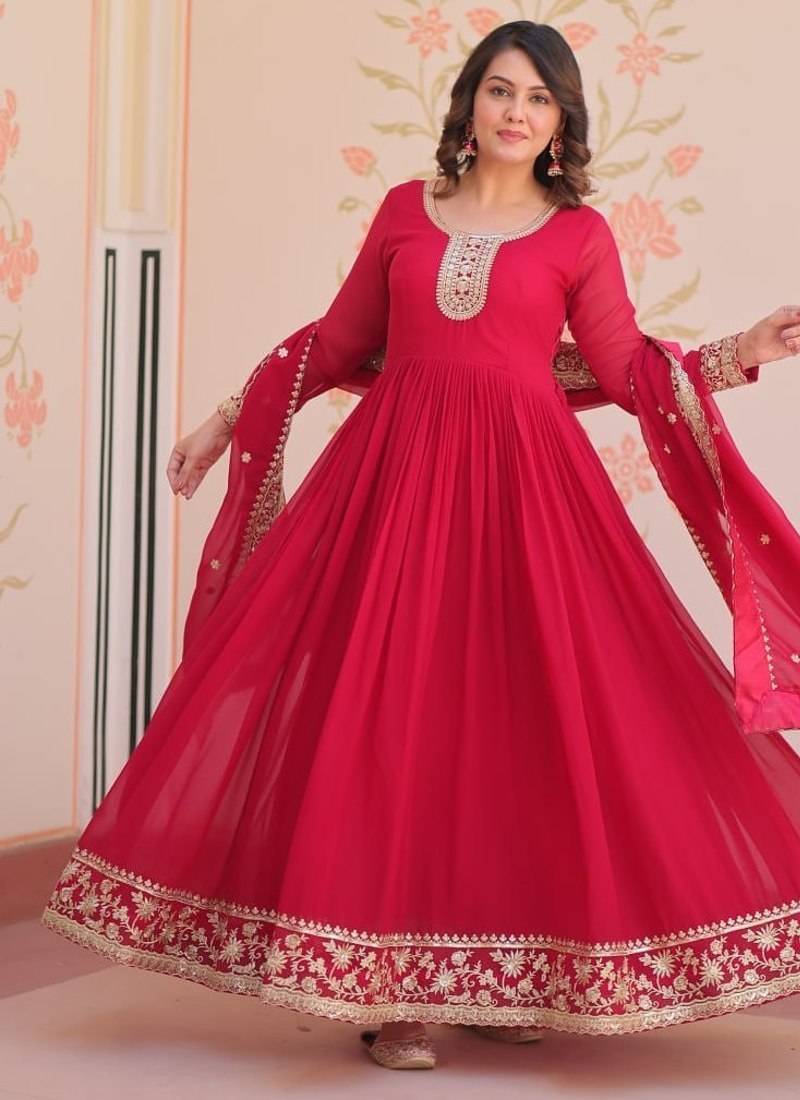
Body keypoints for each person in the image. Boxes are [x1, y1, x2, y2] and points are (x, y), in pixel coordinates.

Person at [44, 20, 800, 1073]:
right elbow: (335, 343)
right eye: (500, 90)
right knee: (393, 716)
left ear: (560, 125)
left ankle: (505, 974)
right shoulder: (407, 210)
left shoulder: (578, 235)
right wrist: (221, 421)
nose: (516, 112)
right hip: (391, 495)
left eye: (538, 99)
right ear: (468, 103)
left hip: (529, 502)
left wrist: (734, 353)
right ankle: (389, 988)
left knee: (517, 721)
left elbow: (624, 366)